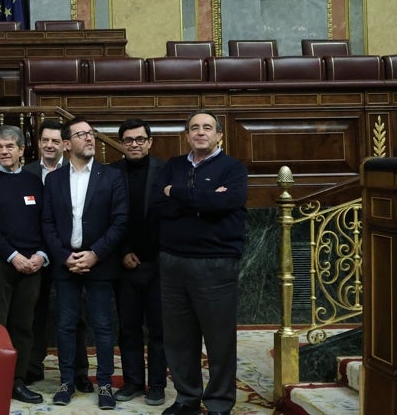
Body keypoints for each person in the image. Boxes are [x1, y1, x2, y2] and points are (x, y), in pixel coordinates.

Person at [151, 110, 248, 415]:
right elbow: (158, 204)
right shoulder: (173, 165)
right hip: (172, 262)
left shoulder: (233, 169)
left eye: (208, 128)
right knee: (179, 338)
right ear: (187, 135)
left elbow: (224, 204)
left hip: (215, 263)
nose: (201, 132)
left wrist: (178, 194)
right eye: (195, 128)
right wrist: (201, 200)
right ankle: (186, 398)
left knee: (219, 339)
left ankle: (219, 403)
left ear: (220, 135)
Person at [42, 117, 128, 409]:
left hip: (99, 263)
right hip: (66, 263)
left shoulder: (111, 176)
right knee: (65, 326)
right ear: (67, 144)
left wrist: (95, 254)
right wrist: (65, 256)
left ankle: (104, 384)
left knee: (103, 327)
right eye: (82, 135)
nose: (90, 139)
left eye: (91, 134)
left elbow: (120, 221)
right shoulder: (53, 179)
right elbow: (47, 223)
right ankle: (67, 382)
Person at [0, 124, 48, 405]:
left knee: (23, 325)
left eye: (9, 147)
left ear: (21, 150)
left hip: (31, 265)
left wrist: (41, 255)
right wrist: (13, 255)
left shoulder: (33, 182)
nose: (4, 152)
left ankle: (16, 382)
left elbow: (44, 221)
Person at [109, 118, 168, 406]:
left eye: (140, 139)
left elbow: (170, 216)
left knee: (158, 329)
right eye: (129, 140)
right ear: (121, 144)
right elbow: (105, 217)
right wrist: (122, 251)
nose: (134, 144)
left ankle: (157, 384)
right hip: (124, 263)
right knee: (129, 328)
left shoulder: (165, 171)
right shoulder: (110, 173)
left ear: (149, 142)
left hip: (158, 263)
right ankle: (133, 381)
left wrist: (156, 256)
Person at [21, 119, 68, 387]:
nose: (49, 145)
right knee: (34, 314)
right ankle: (32, 365)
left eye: (55, 140)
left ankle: (74, 371)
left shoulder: (74, 171)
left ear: (65, 143)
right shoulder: (26, 172)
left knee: (71, 314)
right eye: (45, 140)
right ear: (38, 143)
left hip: (65, 254)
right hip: (34, 256)